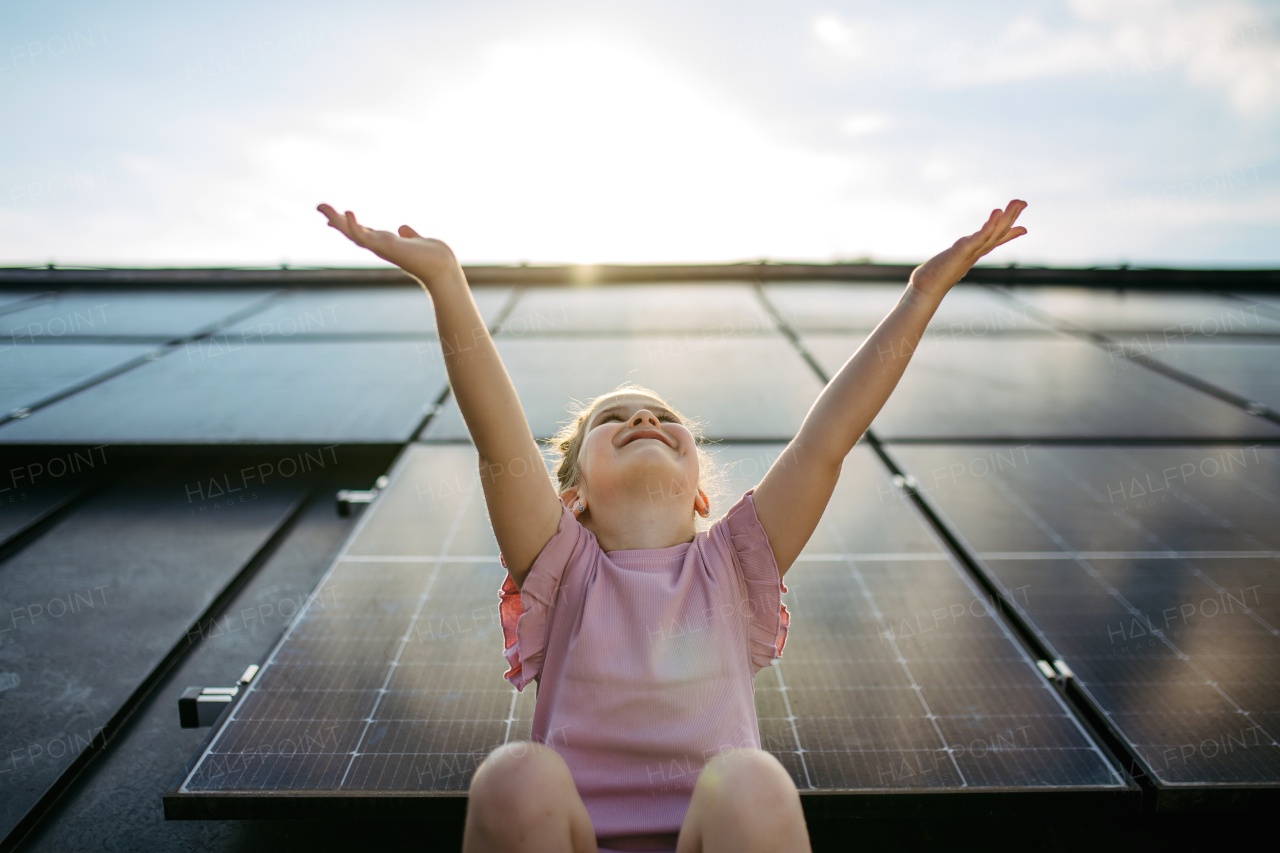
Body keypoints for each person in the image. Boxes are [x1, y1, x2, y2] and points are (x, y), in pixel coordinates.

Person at [318, 200, 1028, 853]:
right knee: (515, 774)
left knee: (751, 781)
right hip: (569, 839)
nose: (645, 418)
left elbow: (826, 440)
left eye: (664, 416)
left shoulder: (732, 563)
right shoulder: (562, 567)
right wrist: (447, 281)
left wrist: (921, 295)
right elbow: (500, 441)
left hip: (712, 838)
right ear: (571, 499)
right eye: (613, 417)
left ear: (699, 497)